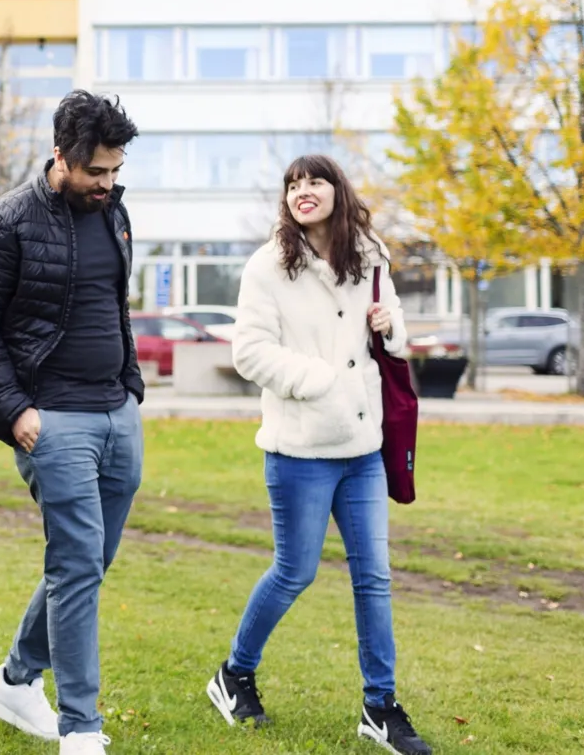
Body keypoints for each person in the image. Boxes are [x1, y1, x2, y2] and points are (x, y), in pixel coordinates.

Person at [205, 154, 431, 755]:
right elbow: (249, 352)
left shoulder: (370, 252)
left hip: (362, 447)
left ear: (337, 189)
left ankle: (380, 707)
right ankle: (233, 674)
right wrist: (319, 380)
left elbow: (392, 336)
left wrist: (392, 327)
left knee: (374, 578)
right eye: (293, 184)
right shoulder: (267, 266)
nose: (303, 190)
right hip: (300, 449)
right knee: (295, 572)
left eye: (315, 180)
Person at [0, 91, 144, 755]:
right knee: (75, 564)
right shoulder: (4, 221)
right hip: (51, 418)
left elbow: (112, 305)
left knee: (88, 563)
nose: (108, 183)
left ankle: (13, 681)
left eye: (116, 170)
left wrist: (129, 388)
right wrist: (17, 412)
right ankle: (81, 727)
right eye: (96, 171)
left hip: (116, 412)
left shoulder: (115, 212)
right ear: (61, 156)